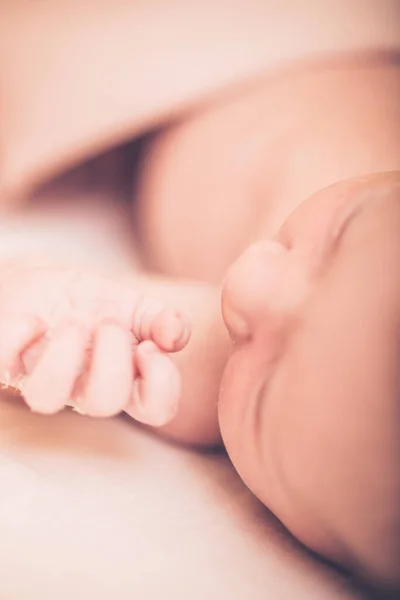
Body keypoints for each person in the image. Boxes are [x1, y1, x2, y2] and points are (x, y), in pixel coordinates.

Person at [0, 0, 399, 594]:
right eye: (339, 233)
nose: (247, 284)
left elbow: (102, 339)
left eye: (262, 397)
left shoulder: (336, 416)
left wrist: (51, 337)